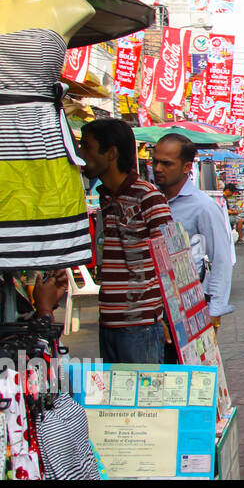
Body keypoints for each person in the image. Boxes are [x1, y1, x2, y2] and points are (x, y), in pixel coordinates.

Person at [80, 119, 174, 364]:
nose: (81, 153)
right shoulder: (105, 199)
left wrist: (161, 318)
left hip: (139, 326)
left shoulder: (148, 197)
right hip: (109, 322)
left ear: (110, 153)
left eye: (86, 146)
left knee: (145, 402)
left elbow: (168, 262)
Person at [152, 134, 235, 328]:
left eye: (166, 164)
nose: (158, 169)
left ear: (187, 167)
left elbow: (221, 258)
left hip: (190, 302)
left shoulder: (203, 206)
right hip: (153, 306)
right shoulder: (150, 201)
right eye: (155, 162)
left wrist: (216, 308)